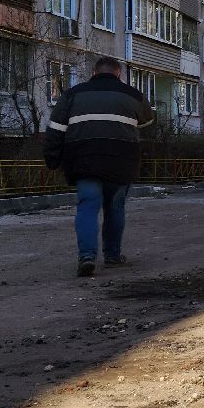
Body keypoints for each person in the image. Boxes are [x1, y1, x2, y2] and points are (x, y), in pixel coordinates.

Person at [44, 56, 156, 277]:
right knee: (115, 209)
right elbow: (148, 122)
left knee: (87, 206)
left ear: (94, 73)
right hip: (121, 162)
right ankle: (112, 255)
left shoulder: (72, 94)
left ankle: (86, 256)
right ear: (119, 74)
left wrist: (52, 159)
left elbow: (55, 129)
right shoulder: (133, 95)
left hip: (84, 161)